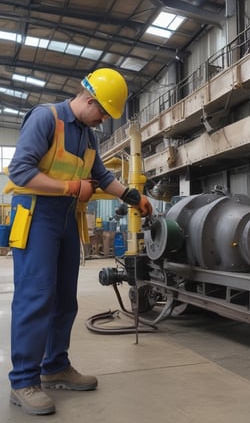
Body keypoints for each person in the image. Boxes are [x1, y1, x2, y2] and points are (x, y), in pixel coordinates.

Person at [3, 68, 152, 415]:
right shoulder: (46, 119)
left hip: (67, 219)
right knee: (35, 296)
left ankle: (55, 366)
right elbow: (20, 170)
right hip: (36, 215)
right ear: (88, 99)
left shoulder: (88, 137)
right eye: (101, 112)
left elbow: (99, 175)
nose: (102, 120)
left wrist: (131, 196)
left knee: (65, 297)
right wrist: (70, 187)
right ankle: (23, 380)